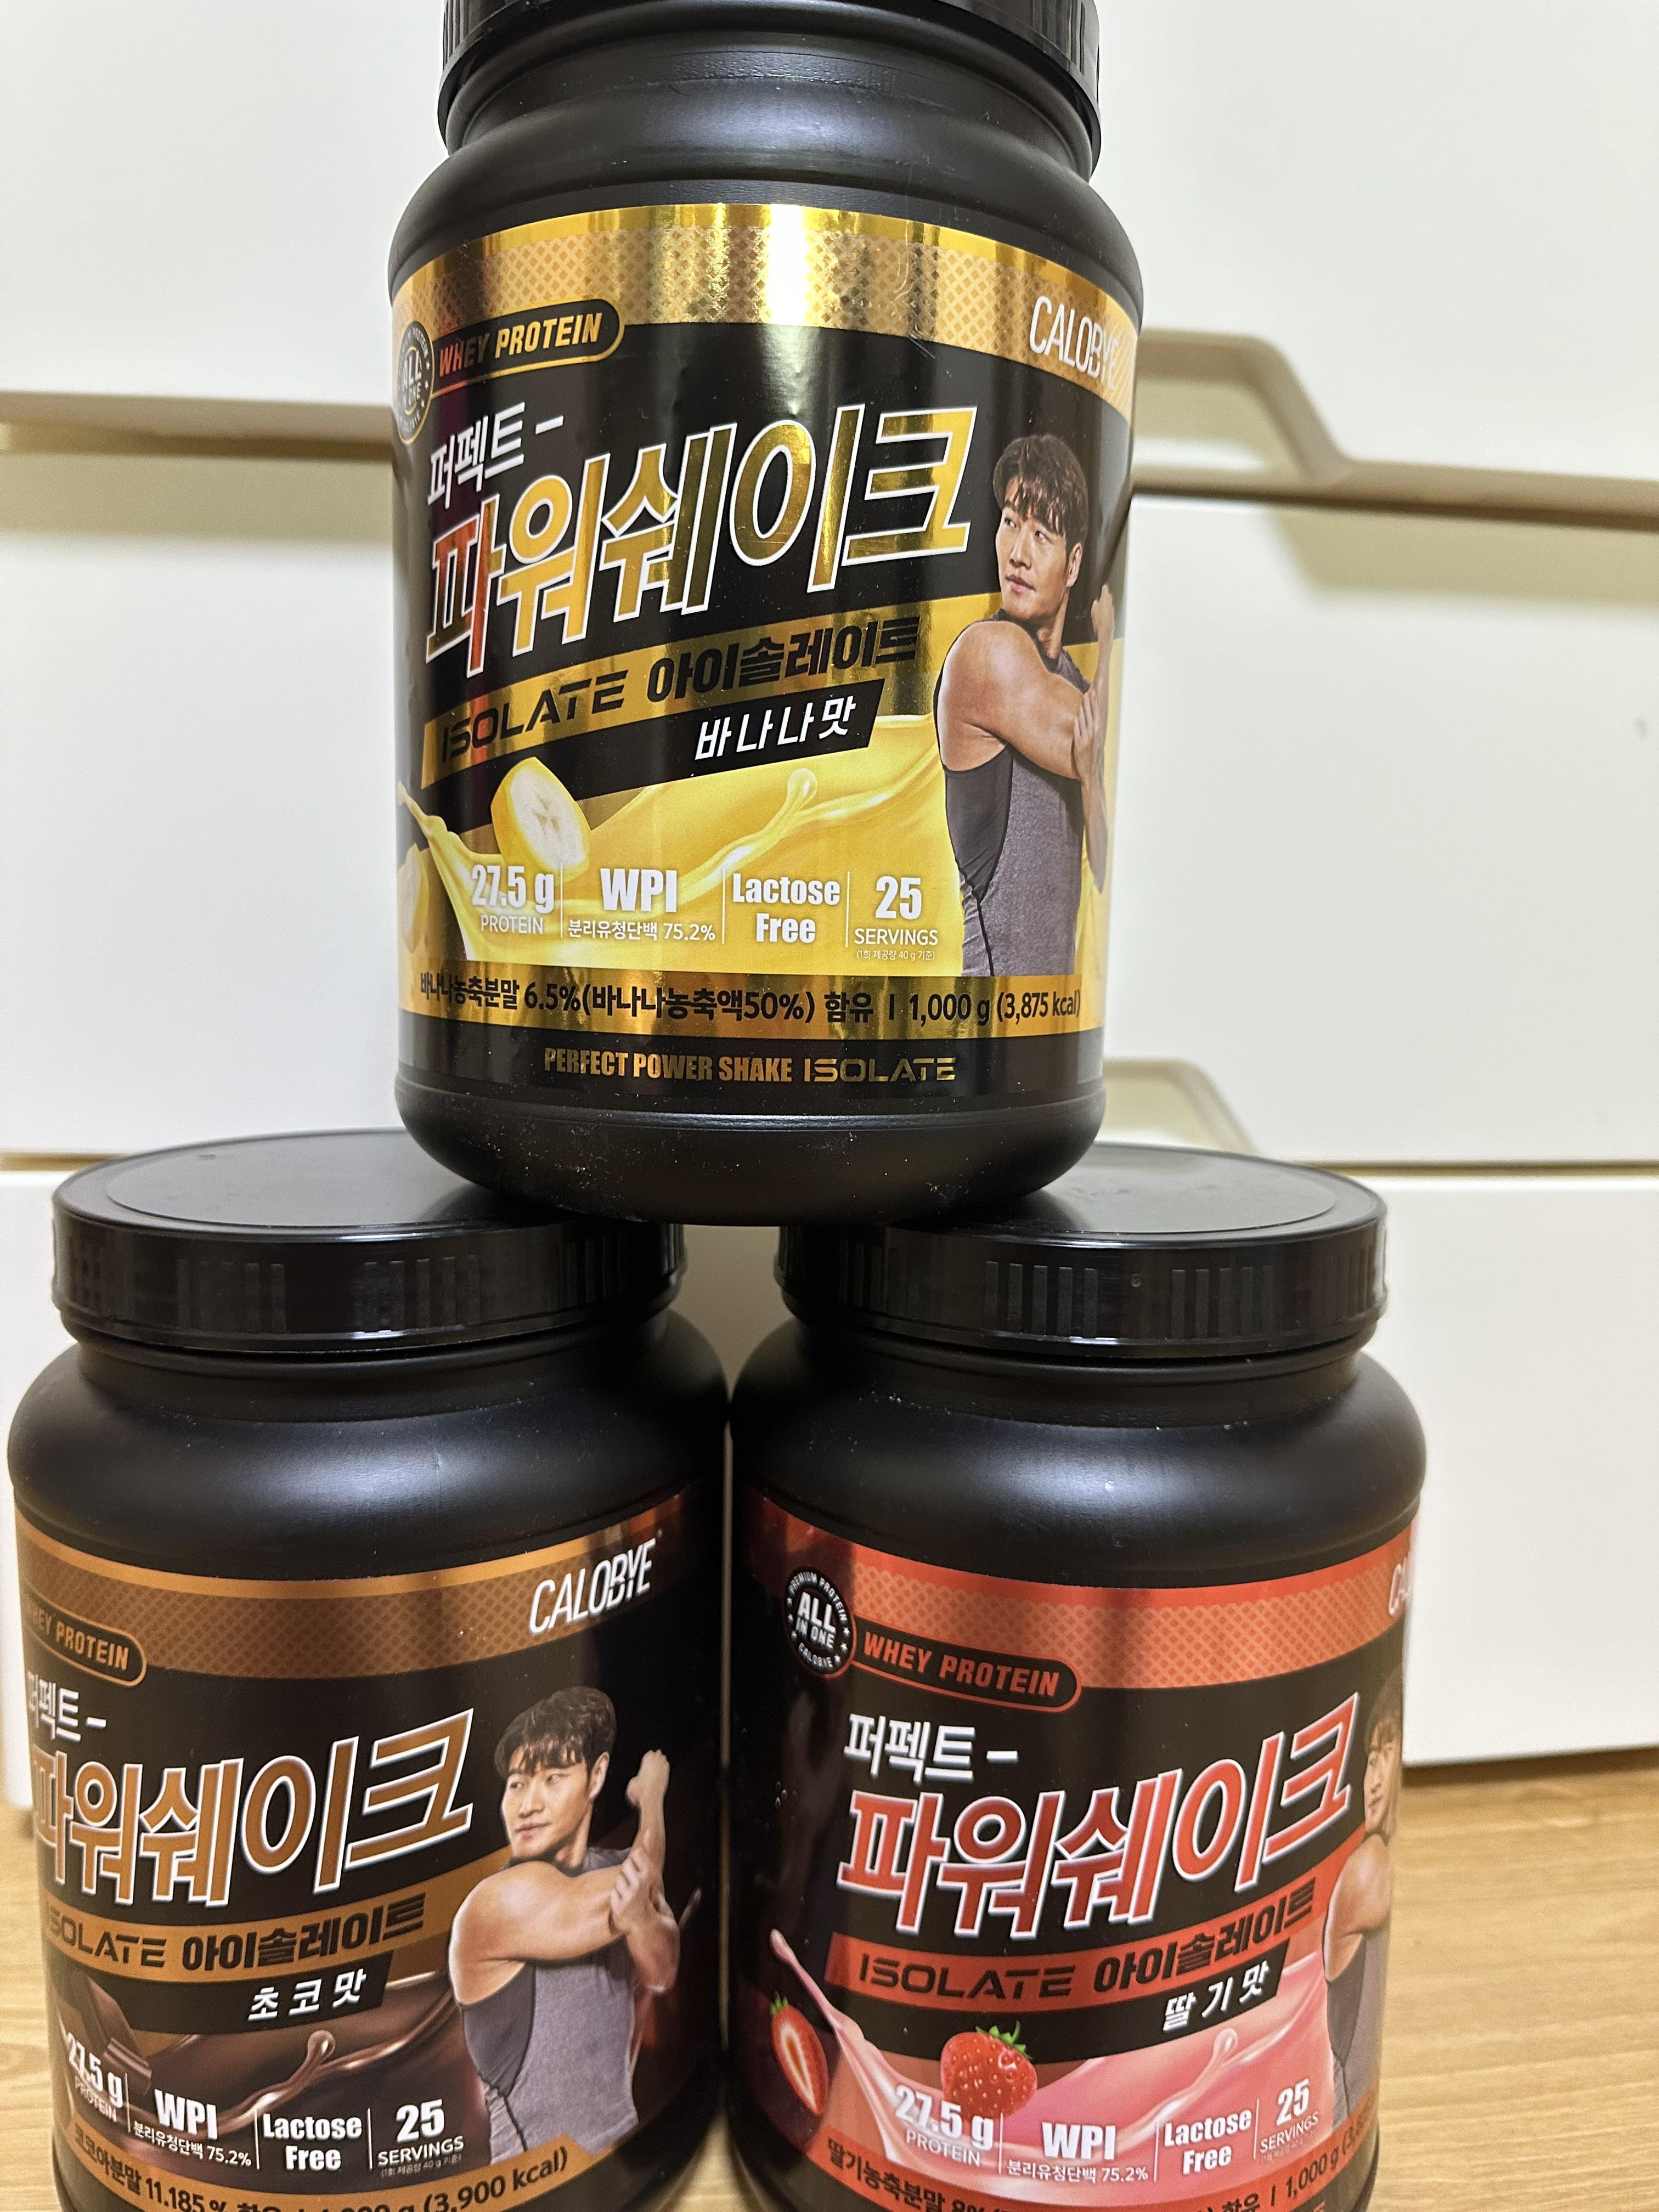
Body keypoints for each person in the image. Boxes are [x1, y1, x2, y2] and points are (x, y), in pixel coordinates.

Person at [449, 1688, 679, 2159]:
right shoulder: (497, 1903)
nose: (527, 1805)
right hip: (534, 2179)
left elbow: (662, 1971)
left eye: (552, 1778)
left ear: (596, 1777)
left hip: (622, 2152)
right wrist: (652, 1795)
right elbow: (636, 1885)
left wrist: (643, 1922)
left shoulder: (614, 1866)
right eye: (517, 1784)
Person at [935, 433, 1113, 977]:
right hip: (989, 1009)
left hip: (1048, 1010)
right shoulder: (987, 654)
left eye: (1041, 534)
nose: (1018, 553)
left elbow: (1103, 862)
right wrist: (1108, 640)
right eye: (1011, 522)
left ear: (1073, 563)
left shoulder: (1071, 680)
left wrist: (1093, 777)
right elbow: (1086, 739)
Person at [1323, 1671, 1404, 2123]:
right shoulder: (1369, 1864)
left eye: (1386, 1756)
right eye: (1371, 1760)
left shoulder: (1375, 1855)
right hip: (1347, 2115)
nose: (1372, 1781)